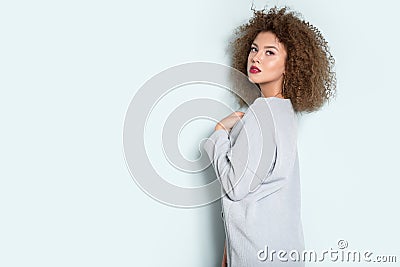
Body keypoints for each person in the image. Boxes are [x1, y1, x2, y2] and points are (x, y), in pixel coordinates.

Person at [203, 6, 336, 267]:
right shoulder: (284, 113)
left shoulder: (262, 112)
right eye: (253, 49)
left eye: (269, 52)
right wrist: (228, 252)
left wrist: (219, 134)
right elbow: (263, 192)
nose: (256, 58)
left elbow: (235, 186)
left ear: (290, 64)